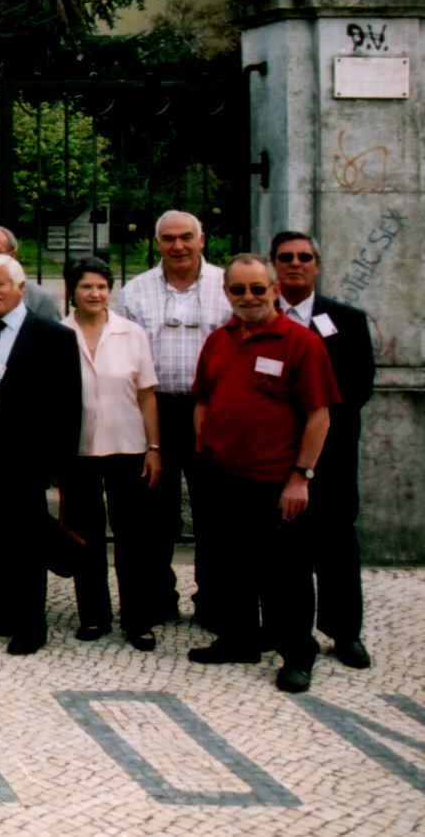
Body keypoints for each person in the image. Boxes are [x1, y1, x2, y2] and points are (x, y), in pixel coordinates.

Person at [186, 253, 337, 693]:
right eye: (238, 289)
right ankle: (239, 639)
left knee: (286, 575)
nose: (248, 297)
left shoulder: (301, 343)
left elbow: (319, 416)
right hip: (223, 477)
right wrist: (205, 451)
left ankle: (297, 655)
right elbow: (203, 399)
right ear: (226, 293)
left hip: (276, 481)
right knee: (231, 566)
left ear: (275, 290)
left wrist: (301, 477)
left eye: (257, 288)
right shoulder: (218, 340)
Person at [0, 253, 81, 655]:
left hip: (24, 459)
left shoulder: (52, 337)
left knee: (24, 545)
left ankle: (29, 625)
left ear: (20, 288)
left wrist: (56, 465)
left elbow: (65, 407)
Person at [113, 208, 227, 622]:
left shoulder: (225, 286)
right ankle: (158, 598)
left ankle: (214, 601)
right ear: (157, 243)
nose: (178, 246)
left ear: (201, 240)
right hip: (154, 408)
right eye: (168, 238)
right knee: (154, 511)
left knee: (213, 510)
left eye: (185, 237)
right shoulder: (135, 291)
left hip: (210, 410)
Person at [271, 229, 376, 670]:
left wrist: (315, 432)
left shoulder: (346, 320)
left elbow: (358, 387)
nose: (295, 264)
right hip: (275, 453)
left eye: (304, 257)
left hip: (333, 454)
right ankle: (289, 634)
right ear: (274, 266)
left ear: (317, 265)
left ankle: (345, 631)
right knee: (286, 547)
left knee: (337, 543)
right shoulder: (260, 317)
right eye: (286, 257)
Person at [59, 255, 162, 650]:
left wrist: (154, 447)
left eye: (102, 286)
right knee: (85, 537)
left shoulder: (131, 334)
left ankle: (138, 619)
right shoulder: (59, 334)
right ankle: (93, 616)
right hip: (79, 451)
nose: (95, 293)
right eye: (87, 286)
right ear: (72, 291)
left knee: (133, 539)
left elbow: (147, 395)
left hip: (128, 447)